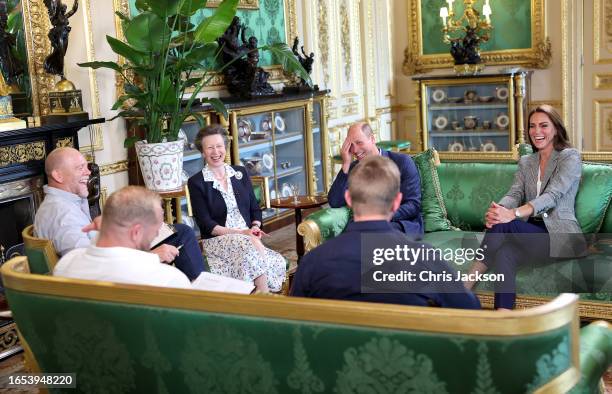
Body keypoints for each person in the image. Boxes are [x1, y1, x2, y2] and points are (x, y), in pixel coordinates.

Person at [291, 155, 480, 309]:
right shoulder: (425, 259)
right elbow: (470, 311)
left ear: (348, 198)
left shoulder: (313, 261)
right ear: (397, 202)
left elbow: (293, 324)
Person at [465, 105, 587, 310]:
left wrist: (511, 214)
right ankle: (503, 317)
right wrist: (499, 210)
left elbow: (552, 196)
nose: (536, 131)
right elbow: (514, 194)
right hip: (532, 235)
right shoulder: (526, 162)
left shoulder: (569, 157)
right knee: (505, 252)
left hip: (562, 238)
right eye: (532, 126)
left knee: (506, 224)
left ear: (556, 128)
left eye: (543, 125)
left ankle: (465, 285)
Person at [34, 147, 206, 280]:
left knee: (177, 230)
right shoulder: (63, 216)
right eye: (80, 168)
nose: (88, 172)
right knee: (182, 234)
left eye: (86, 167)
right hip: (111, 276)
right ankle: (203, 297)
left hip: (111, 257)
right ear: (58, 175)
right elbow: (91, 268)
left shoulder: (61, 203)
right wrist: (151, 257)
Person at [187, 125, 286, 293]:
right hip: (219, 240)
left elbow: (255, 209)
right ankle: (264, 299)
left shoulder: (240, 173)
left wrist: (254, 227)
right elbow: (206, 225)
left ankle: (255, 300)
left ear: (225, 147)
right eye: (209, 147)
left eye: (219, 146)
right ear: (203, 152)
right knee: (250, 249)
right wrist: (242, 234)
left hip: (248, 238)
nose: (215, 151)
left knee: (274, 260)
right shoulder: (196, 182)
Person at [54, 186, 191, 289]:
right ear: (136, 232)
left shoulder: (65, 265)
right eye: (155, 230)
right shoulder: (168, 280)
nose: (156, 235)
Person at [328, 122, 423, 235]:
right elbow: (334, 202)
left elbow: (413, 205)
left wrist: (379, 218)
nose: (355, 150)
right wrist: (345, 165)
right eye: (351, 145)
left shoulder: (403, 162)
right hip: (365, 226)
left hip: (401, 224)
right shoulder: (353, 168)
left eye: (359, 142)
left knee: (374, 236)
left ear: (372, 139)